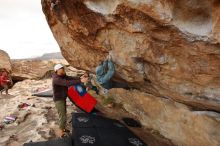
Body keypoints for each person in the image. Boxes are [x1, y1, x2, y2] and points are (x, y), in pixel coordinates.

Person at [52, 64, 85, 137]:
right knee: (62, 116)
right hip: (58, 99)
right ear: (57, 70)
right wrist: (80, 81)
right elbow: (66, 83)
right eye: (62, 69)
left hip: (63, 98)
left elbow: (70, 78)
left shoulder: (62, 75)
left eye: (63, 68)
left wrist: (79, 78)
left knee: (64, 114)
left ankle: (63, 128)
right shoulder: (56, 79)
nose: (63, 70)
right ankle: (61, 133)